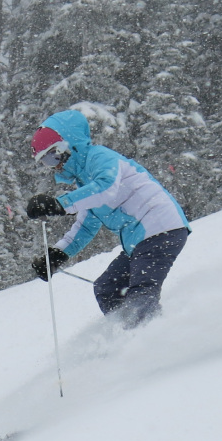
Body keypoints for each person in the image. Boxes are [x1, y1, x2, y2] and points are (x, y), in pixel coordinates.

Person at [26, 109, 191, 327]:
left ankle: (152, 340)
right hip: (141, 239)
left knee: (141, 292)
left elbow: (106, 189)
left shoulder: (100, 158)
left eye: (53, 155)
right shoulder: (84, 182)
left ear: (70, 145)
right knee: (108, 287)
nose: (54, 164)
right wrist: (57, 254)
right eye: (46, 161)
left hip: (161, 228)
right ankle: (126, 337)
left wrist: (60, 204)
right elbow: (86, 224)